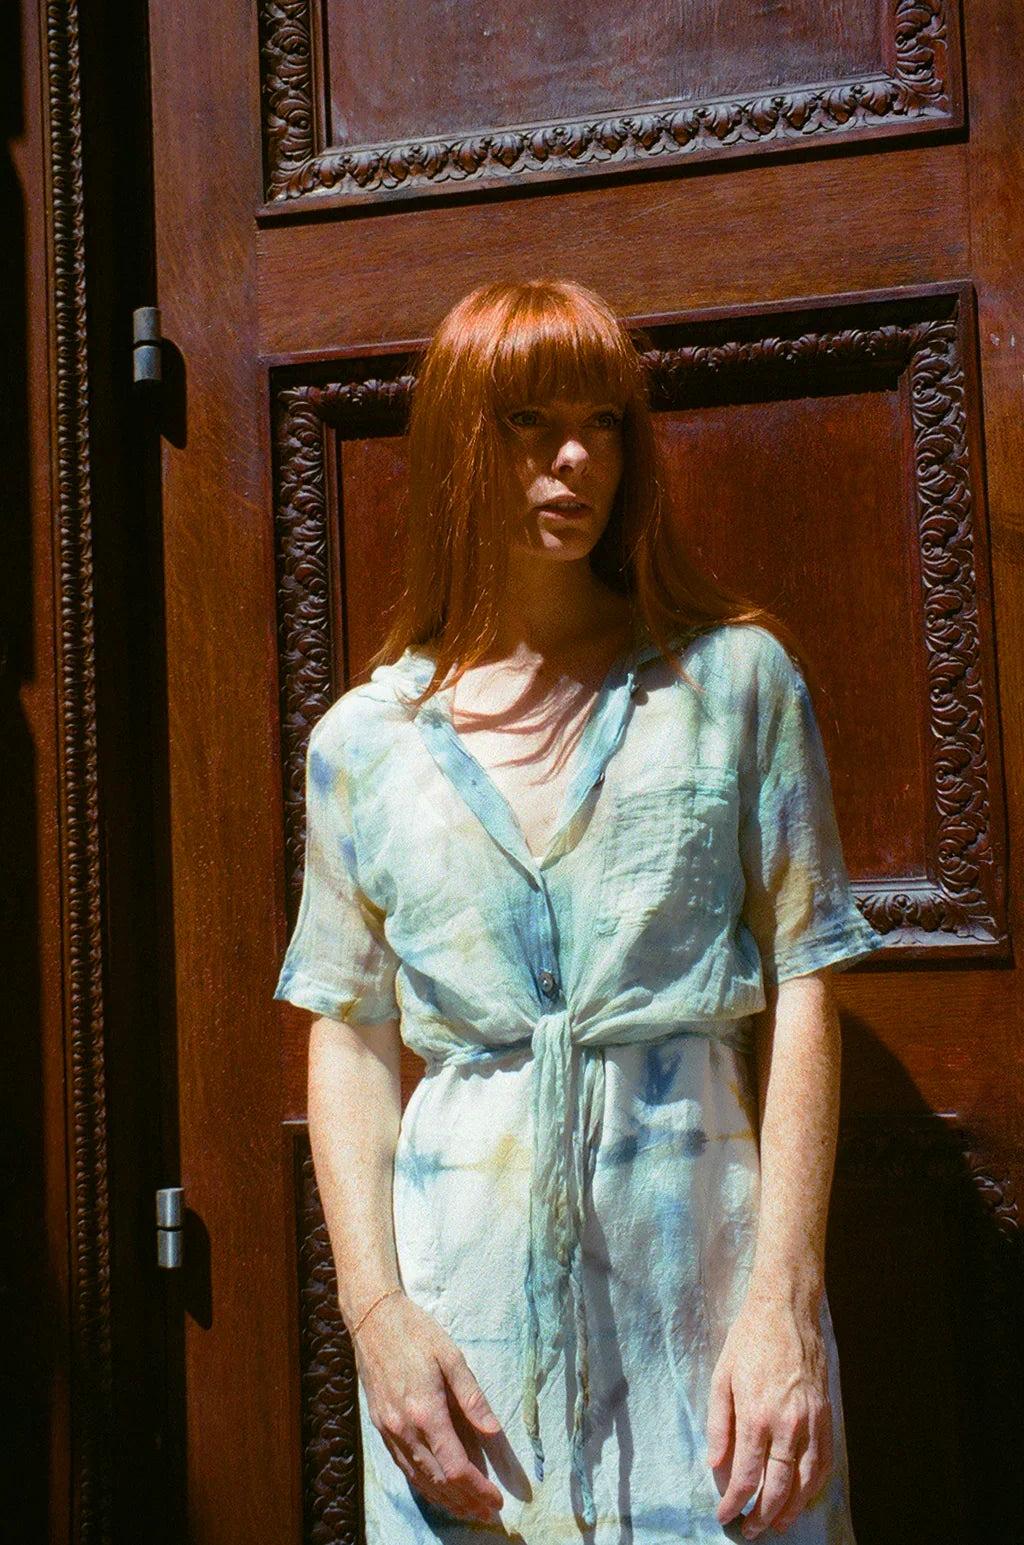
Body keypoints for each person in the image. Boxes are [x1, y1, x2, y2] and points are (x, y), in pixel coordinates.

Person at [274, 278, 882, 1544]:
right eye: (528, 423)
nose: (573, 458)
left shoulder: (732, 684)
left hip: (703, 1303)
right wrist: (377, 1320)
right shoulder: (362, 748)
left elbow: (810, 980)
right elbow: (348, 1032)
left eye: (602, 423)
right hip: (465, 1336)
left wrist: (782, 1298)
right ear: (454, 444)